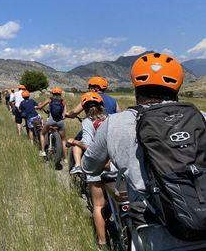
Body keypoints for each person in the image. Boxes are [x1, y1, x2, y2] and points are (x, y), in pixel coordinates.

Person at [82, 52, 206, 249]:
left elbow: (90, 165)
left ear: (136, 87)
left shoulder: (115, 123)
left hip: (155, 234)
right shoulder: (201, 117)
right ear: (178, 87)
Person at [68, 92, 108, 247]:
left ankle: (102, 242)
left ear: (84, 108)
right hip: (114, 164)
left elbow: (88, 145)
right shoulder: (109, 119)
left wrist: (75, 142)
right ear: (101, 106)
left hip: (98, 165)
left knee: (98, 205)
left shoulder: (87, 122)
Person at [66, 76, 120, 170]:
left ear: (95, 88)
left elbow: (74, 112)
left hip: (94, 128)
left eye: (90, 87)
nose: (89, 89)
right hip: (111, 131)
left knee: (76, 143)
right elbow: (119, 114)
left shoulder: (91, 98)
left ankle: (77, 166)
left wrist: (68, 115)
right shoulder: (113, 101)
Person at [38, 87, 67, 157]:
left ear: (52, 93)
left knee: (42, 133)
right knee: (63, 139)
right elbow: (64, 114)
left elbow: (40, 107)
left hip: (51, 121)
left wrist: (38, 107)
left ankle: (42, 151)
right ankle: (65, 158)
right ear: (60, 94)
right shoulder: (63, 101)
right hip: (60, 122)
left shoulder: (50, 100)